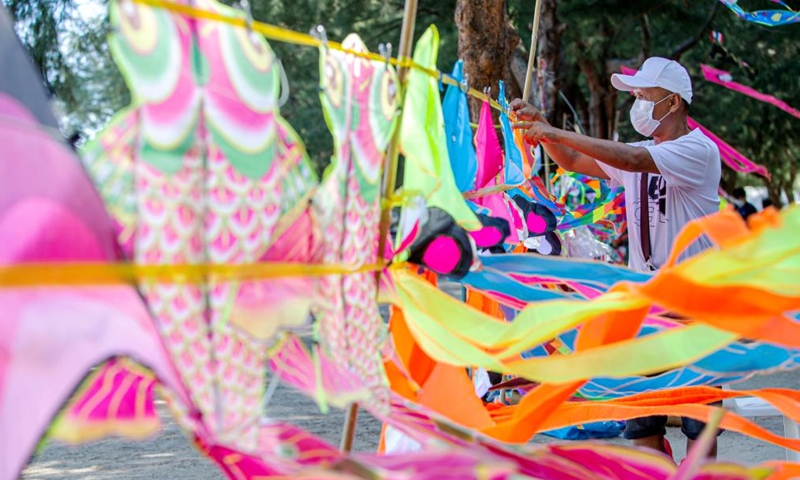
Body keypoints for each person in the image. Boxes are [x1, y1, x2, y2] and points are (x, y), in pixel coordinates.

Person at [511, 57, 722, 458]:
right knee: (640, 420)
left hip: (693, 311)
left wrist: (554, 130)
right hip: (642, 309)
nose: (637, 103)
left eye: (644, 96)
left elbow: (630, 160)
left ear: (674, 103)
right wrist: (543, 129)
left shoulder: (698, 150)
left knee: (700, 427)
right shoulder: (642, 149)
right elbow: (573, 162)